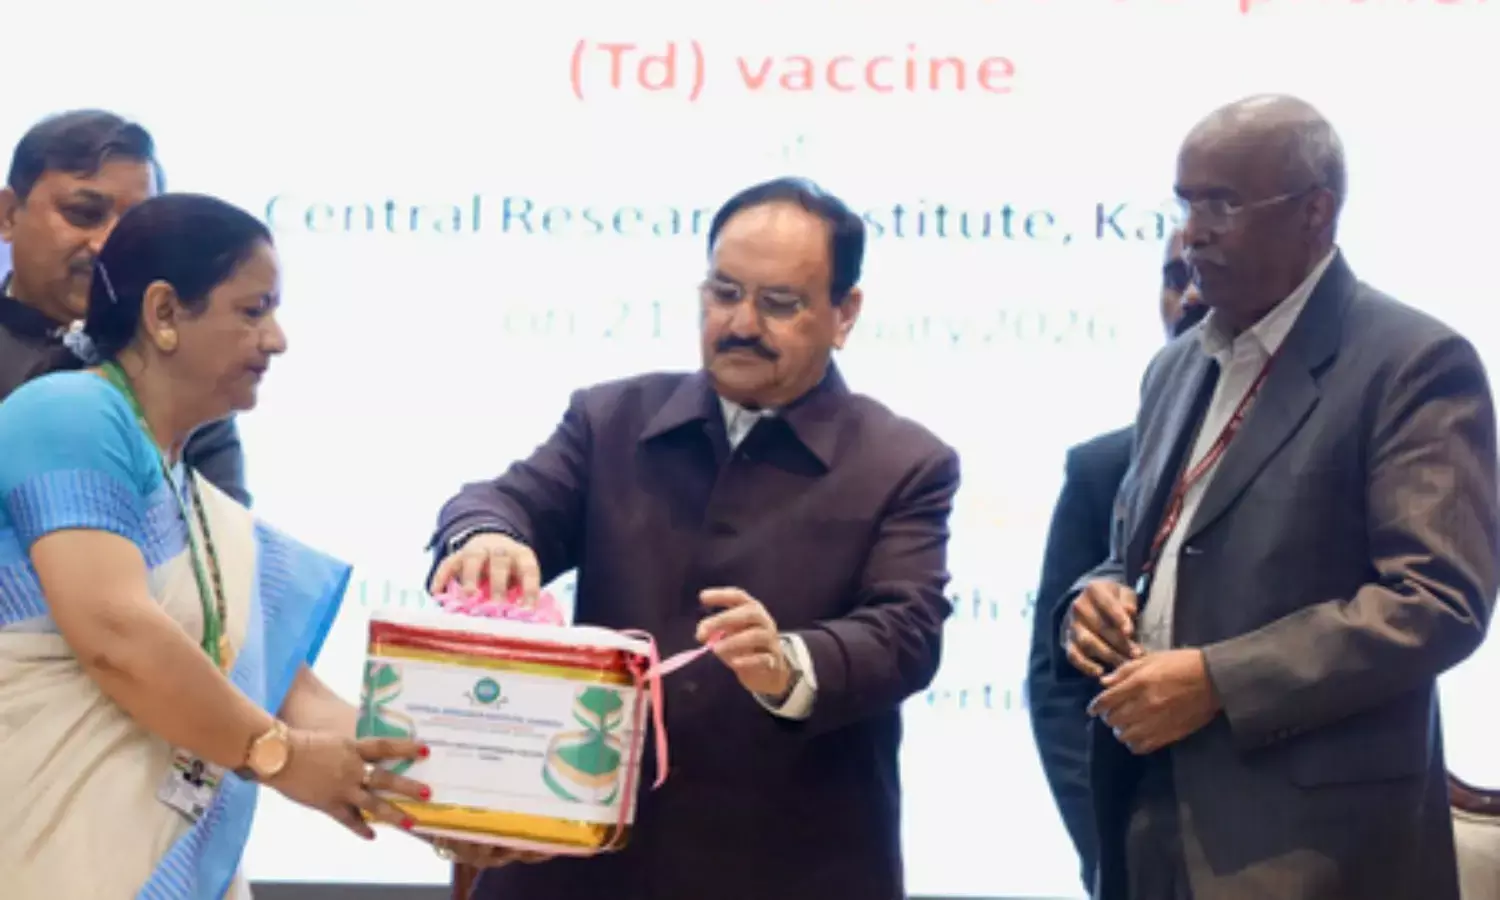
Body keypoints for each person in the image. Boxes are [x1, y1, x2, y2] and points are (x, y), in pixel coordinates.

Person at [428, 177, 960, 900]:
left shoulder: (903, 462)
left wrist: (789, 663)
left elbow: (906, 632)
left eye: (779, 303)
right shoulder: (611, 418)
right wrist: (487, 535)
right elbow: (502, 502)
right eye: (724, 292)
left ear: (845, 313)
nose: (741, 323)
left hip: (787, 865)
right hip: (578, 865)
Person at [1057, 94, 1499, 900]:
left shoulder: (1413, 362)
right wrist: (1100, 594)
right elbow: (1145, 552)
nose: (1193, 232)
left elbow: (1437, 601)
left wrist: (1219, 681)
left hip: (1315, 853)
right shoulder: (1177, 365)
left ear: (1314, 212)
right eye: (1186, 204)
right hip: (1152, 824)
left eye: (1222, 204)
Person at [0, 193, 432, 899]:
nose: (277, 339)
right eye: (253, 310)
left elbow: (287, 691)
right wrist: (280, 757)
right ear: (164, 312)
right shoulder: (69, 413)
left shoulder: (198, 501)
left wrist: (454, 796)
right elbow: (115, 635)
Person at [1026, 229, 1205, 890]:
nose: (1189, 297)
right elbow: (1058, 685)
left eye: (1205, 272)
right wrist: (1107, 843)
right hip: (1141, 857)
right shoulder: (1104, 468)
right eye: (1174, 277)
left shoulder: (1341, 437)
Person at [0, 109, 248, 503]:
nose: (109, 245)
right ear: (8, 215)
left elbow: (222, 528)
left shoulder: (184, 361)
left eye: (134, 225)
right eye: (84, 214)